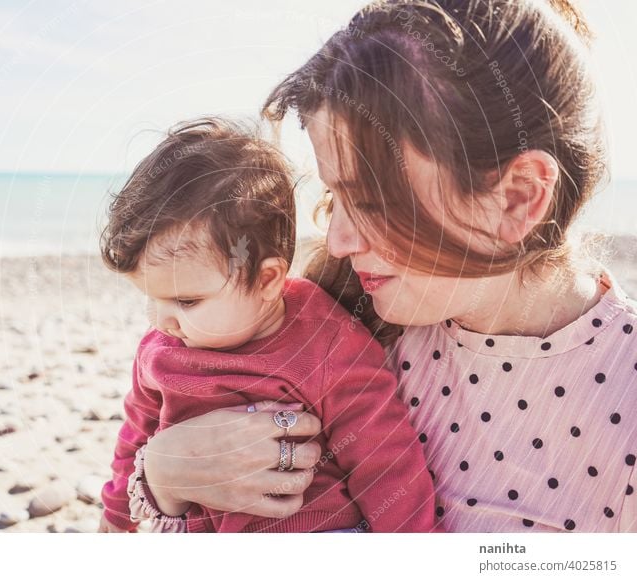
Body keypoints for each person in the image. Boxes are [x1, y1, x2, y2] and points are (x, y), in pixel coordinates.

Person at [128, 0, 637, 532]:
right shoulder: (335, 321)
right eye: (334, 197)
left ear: (517, 197)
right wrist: (164, 478)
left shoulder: (624, 401)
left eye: (371, 201)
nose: (339, 241)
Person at [96, 117, 439, 533]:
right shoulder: (162, 349)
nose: (161, 319)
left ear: (268, 279)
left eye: (187, 301)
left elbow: (384, 459)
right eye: (151, 298)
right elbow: (135, 439)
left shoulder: (326, 341)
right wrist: (115, 520)